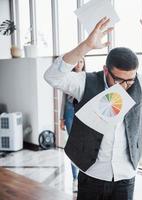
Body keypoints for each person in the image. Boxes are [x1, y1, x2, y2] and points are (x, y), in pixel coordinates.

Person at [44, 14, 142, 200]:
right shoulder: (85, 82)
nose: (125, 86)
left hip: (125, 174)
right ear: (106, 70)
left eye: (130, 80)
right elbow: (52, 76)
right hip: (91, 172)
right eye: (119, 80)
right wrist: (86, 45)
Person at [59, 57, 85, 191]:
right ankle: (75, 178)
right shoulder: (68, 77)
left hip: (82, 110)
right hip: (69, 110)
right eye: (77, 61)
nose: (79, 64)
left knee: (82, 145)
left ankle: (82, 177)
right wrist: (61, 118)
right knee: (73, 144)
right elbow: (63, 98)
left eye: (81, 62)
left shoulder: (88, 77)